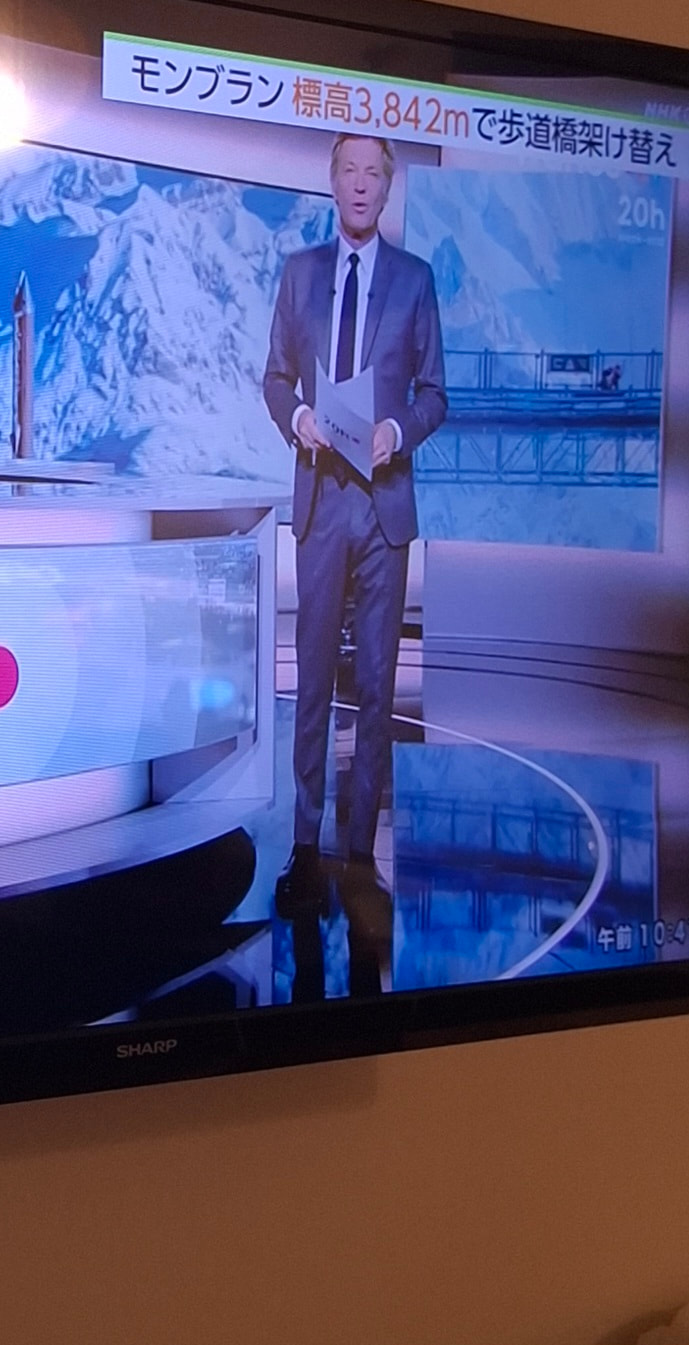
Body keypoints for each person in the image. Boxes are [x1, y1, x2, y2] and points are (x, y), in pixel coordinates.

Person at [262, 133, 448, 947]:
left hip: (383, 506)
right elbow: (275, 377)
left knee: (376, 687)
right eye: (350, 170)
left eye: (376, 172)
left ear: (388, 185)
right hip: (321, 499)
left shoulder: (415, 279)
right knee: (312, 683)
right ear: (332, 181)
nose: (362, 184)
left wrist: (396, 430)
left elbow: (435, 393)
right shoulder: (300, 273)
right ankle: (305, 850)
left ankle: (360, 858)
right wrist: (299, 416)